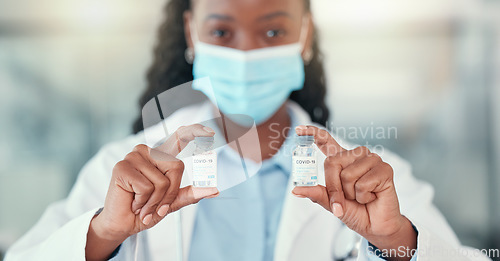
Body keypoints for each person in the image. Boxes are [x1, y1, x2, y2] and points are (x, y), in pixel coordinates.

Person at [5, 0, 490, 260]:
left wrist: (396, 243)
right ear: (192, 32)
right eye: (222, 32)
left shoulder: (375, 179)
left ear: (305, 37)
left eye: (274, 32)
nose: (245, 52)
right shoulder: (125, 169)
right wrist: (102, 235)